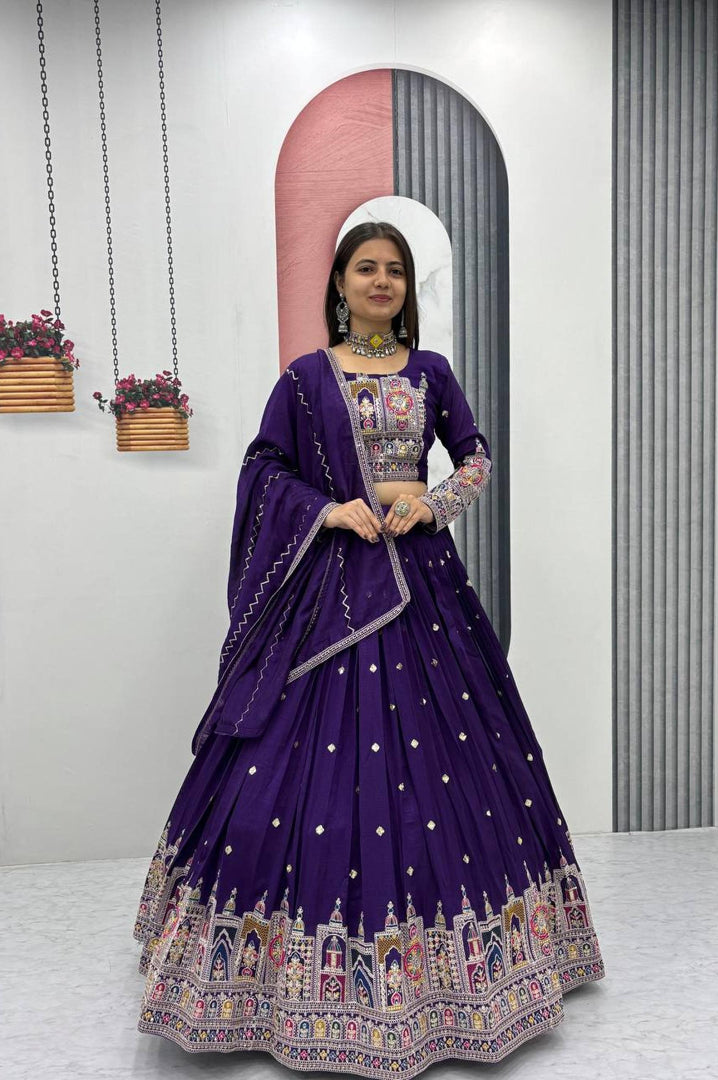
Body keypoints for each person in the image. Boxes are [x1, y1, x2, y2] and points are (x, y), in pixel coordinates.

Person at [133, 221, 606, 1074]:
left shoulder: (432, 373)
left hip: (419, 578)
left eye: (394, 271)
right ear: (340, 284)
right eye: (366, 269)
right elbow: (264, 469)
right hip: (332, 583)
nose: (381, 282)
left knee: (461, 754)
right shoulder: (307, 379)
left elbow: (476, 456)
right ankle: (255, 977)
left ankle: (479, 970)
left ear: (406, 289)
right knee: (291, 755)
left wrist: (435, 503)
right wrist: (324, 509)